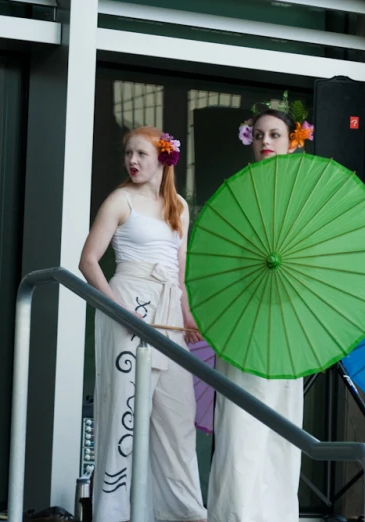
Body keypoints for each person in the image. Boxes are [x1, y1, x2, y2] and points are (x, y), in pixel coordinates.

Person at [79, 126, 207, 522]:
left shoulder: (179, 207)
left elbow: (180, 272)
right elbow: (88, 261)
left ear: (163, 160)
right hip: (128, 302)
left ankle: (182, 512)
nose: (132, 161)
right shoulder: (120, 200)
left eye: (141, 154)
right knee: (124, 412)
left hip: (168, 310)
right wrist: (119, 309)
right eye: (128, 153)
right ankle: (115, 514)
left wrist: (186, 315)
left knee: (177, 415)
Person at [208, 94, 313, 522]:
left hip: (288, 314)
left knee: (282, 418)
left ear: (293, 140)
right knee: (241, 421)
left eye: (275, 134)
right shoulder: (239, 190)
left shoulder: (306, 191)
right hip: (245, 313)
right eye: (259, 134)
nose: (265, 141)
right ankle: (237, 513)